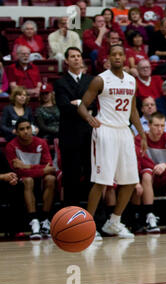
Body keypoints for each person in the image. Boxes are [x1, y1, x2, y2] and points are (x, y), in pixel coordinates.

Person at [77, 44, 147, 240]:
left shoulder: (132, 81)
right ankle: (87, 227)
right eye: (113, 54)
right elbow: (82, 105)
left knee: (131, 180)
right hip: (105, 130)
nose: (117, 57)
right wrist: (89, 118)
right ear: (108, 58)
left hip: (124, 132)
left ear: (125, 57)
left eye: (120, 54)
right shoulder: (100, 79)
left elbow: (133, 110)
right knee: (101, 181)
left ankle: (114, 222)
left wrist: (141, 133)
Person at [54, 47, 95, 209]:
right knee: (71, 176)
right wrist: (83, 105)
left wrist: (77, 103)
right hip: (69, 135)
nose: (76, 59)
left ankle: (93, 217)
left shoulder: (90, 80)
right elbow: (64, 106)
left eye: (79, 56)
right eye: (73, 56)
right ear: (66, 61)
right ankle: (71, 215)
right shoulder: (60, 82)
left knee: (92, 175)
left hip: (88, 133)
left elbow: (93, 105)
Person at [5, 118, 56, 239]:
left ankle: (44, 220)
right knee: (28, 180)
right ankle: (34, 221)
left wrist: (27, 166)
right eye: (22, 129)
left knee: (51, 179)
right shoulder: (11, 146)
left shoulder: (41, 143)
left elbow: (49, 167)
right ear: (16, 132)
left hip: (39, 177)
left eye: (28, 128)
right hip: (24, 180)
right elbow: (16, 171)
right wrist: (41, 169)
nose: (26, 131)